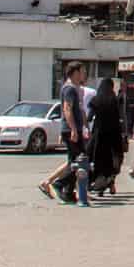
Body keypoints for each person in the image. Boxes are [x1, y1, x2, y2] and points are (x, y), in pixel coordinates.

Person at [39, 61, 88, 203]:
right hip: (71, 130)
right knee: (79, 161)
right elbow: (67, 109)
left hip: (74, 129)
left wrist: (84, 126)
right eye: (82, 71)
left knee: (75, 161)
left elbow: (79, 110)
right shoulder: (69, 89)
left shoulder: (74, 89)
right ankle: (59, 185)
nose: (84, 75)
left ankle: (67, 191)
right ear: (75, 73)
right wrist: (73, 129)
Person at [84, 77, 124, 196]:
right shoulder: (114, 100)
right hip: (114, 136)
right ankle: (110, 184)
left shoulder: (96, 100)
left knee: (98, 161)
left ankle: (99, 186)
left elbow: (89, 117)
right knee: (112, 161)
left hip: (99, 135)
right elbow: (120, 117)